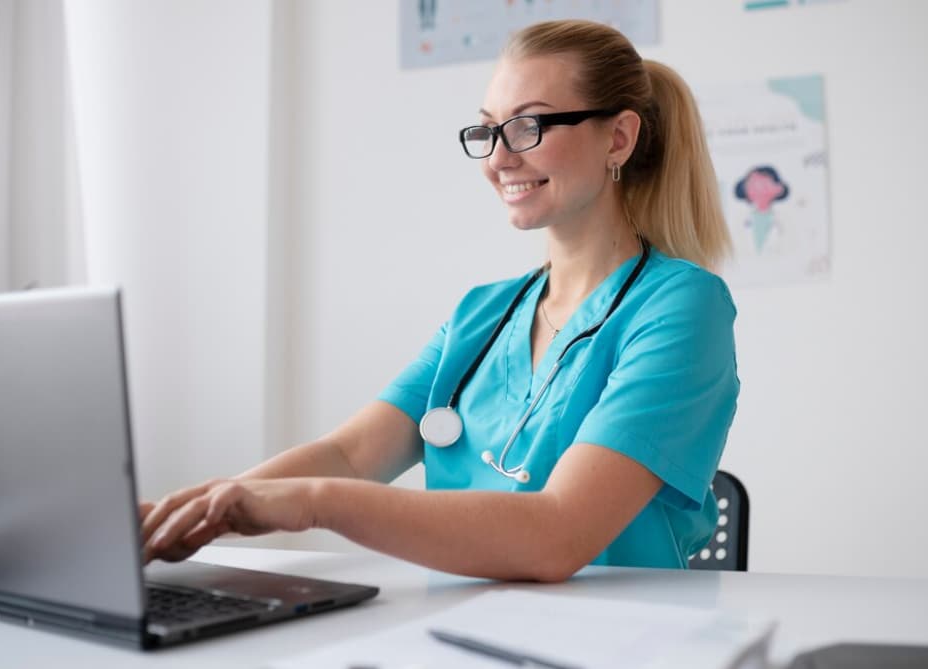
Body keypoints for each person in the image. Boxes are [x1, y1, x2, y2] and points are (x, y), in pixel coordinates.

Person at [141, 19, 739, 583]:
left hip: (621, 641)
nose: (500, 158)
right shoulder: (482, 315)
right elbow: (350, 456)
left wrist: (311, 503)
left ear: (619, 137)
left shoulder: (681, 306)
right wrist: (198, 510)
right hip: (454, 631)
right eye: (488, 131)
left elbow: (557, 533)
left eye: (528, 127)